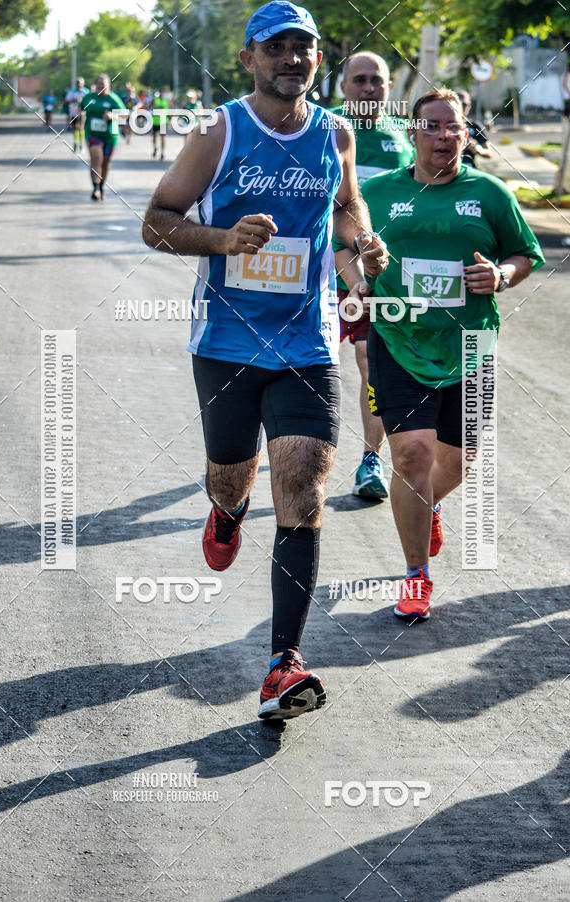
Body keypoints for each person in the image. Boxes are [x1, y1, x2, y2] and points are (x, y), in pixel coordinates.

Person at [142, 1, 387, 719]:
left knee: (304, 487)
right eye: (276, 47)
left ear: (318, 60)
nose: (292, 58)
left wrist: (361, 251)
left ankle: (284, 663)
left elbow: (346, 212)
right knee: (230, 476)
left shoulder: (335, 133)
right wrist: (223, 241)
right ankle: (226, 510)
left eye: (303, 48)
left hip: (308, 342)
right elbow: (157, 221)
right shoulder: (217, 131)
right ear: (248, 57)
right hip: (225, 342)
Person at [334, 88, 544, 621]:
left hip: (471, 345)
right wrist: (358, 282)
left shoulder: (491, 194)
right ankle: (415, 575)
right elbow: (341, 242)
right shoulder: (377, 194)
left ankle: (429, 504)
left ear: (465, 133)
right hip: (398, 337)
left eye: (454, 127)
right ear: (413, 132)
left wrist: (500, 275)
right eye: (433, 126)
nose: (444, 136)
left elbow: (526, 254)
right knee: (410, 458)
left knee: (457, 460)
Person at [332, 52, 414, 500]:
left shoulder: (404, 136)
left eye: (376, 81)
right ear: (343, 85)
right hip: (315, 272)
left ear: (388, 86)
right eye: (358, 80)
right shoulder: (323, 129)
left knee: (369, 362)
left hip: (374, 276)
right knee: (301, 370)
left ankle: (369, 460)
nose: (368, 88)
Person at [80, 73, 126, 201]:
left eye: (103, 84)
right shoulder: (89, 97)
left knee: (105, 163)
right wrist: (79, 115)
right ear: (95, 85)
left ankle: (101, 187)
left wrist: (112, 116)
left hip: (110, 136)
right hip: (93, 134)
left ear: (108, 86)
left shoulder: (113, 99)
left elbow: (124, 115)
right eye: (98, 84)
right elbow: (80, 107)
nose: (100, 86)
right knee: (96, 159)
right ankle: (95, 187)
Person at [457, 90, 493, 168]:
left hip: (470, 170)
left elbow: (489, 152)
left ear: (469, 106)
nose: (461, 107)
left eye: (464, 105)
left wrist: (477, 149)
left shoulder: (474, 126)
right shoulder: (445, 126)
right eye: (458, 104)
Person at [149, 86, 173, 160]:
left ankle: (162, 152)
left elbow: (171, 109)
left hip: (163, 121)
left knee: (163, 137)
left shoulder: (167, 100)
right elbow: (149, 107)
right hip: (155, 121)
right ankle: (155, 148)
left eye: (164, 92)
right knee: (154, 136)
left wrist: (170, 117)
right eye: (161, 92)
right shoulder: (154, 99)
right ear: (159, 93)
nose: (162, 94)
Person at [65, 78, 88, 152]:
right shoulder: (72, 92)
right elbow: (66, 102)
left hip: (82, 112)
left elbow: (90, 102)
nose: (79, 85)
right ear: (76, 84)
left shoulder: (86, 91)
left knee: (81, 127)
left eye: (80, 83)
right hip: (73, 112)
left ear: (83, 84)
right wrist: (74, 100)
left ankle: (81, 145)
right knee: (75, 128)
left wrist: (83, 104)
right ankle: (75, 144)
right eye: (77, 83)